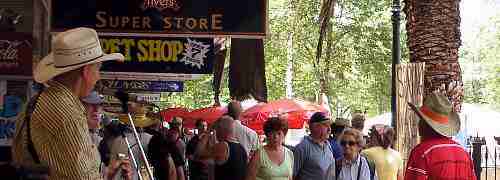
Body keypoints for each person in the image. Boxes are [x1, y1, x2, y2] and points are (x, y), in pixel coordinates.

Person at [12, 27, 132, 180]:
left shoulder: (37, 101)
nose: (98, 77)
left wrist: (106, 175)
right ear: (86, 71)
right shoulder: (68, 114)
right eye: (98, 69)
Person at [405, 92, 476, 180]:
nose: (418, 125)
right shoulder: (464, 153)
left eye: (421, 119)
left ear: (425, 125)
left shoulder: (422, 153)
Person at [198, 116, 248, 180]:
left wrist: (208, 132)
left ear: (221, 129)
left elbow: (198, 153)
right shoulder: (241, 148)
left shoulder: (223, 146)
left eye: (217, 129)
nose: (216, 132)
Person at [293, 112, 336, 180]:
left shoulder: (328, 145)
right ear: (315, 127)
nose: (329, 129)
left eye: (329, 125)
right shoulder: (303, 147)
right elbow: (292, 175)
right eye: (326, 125)